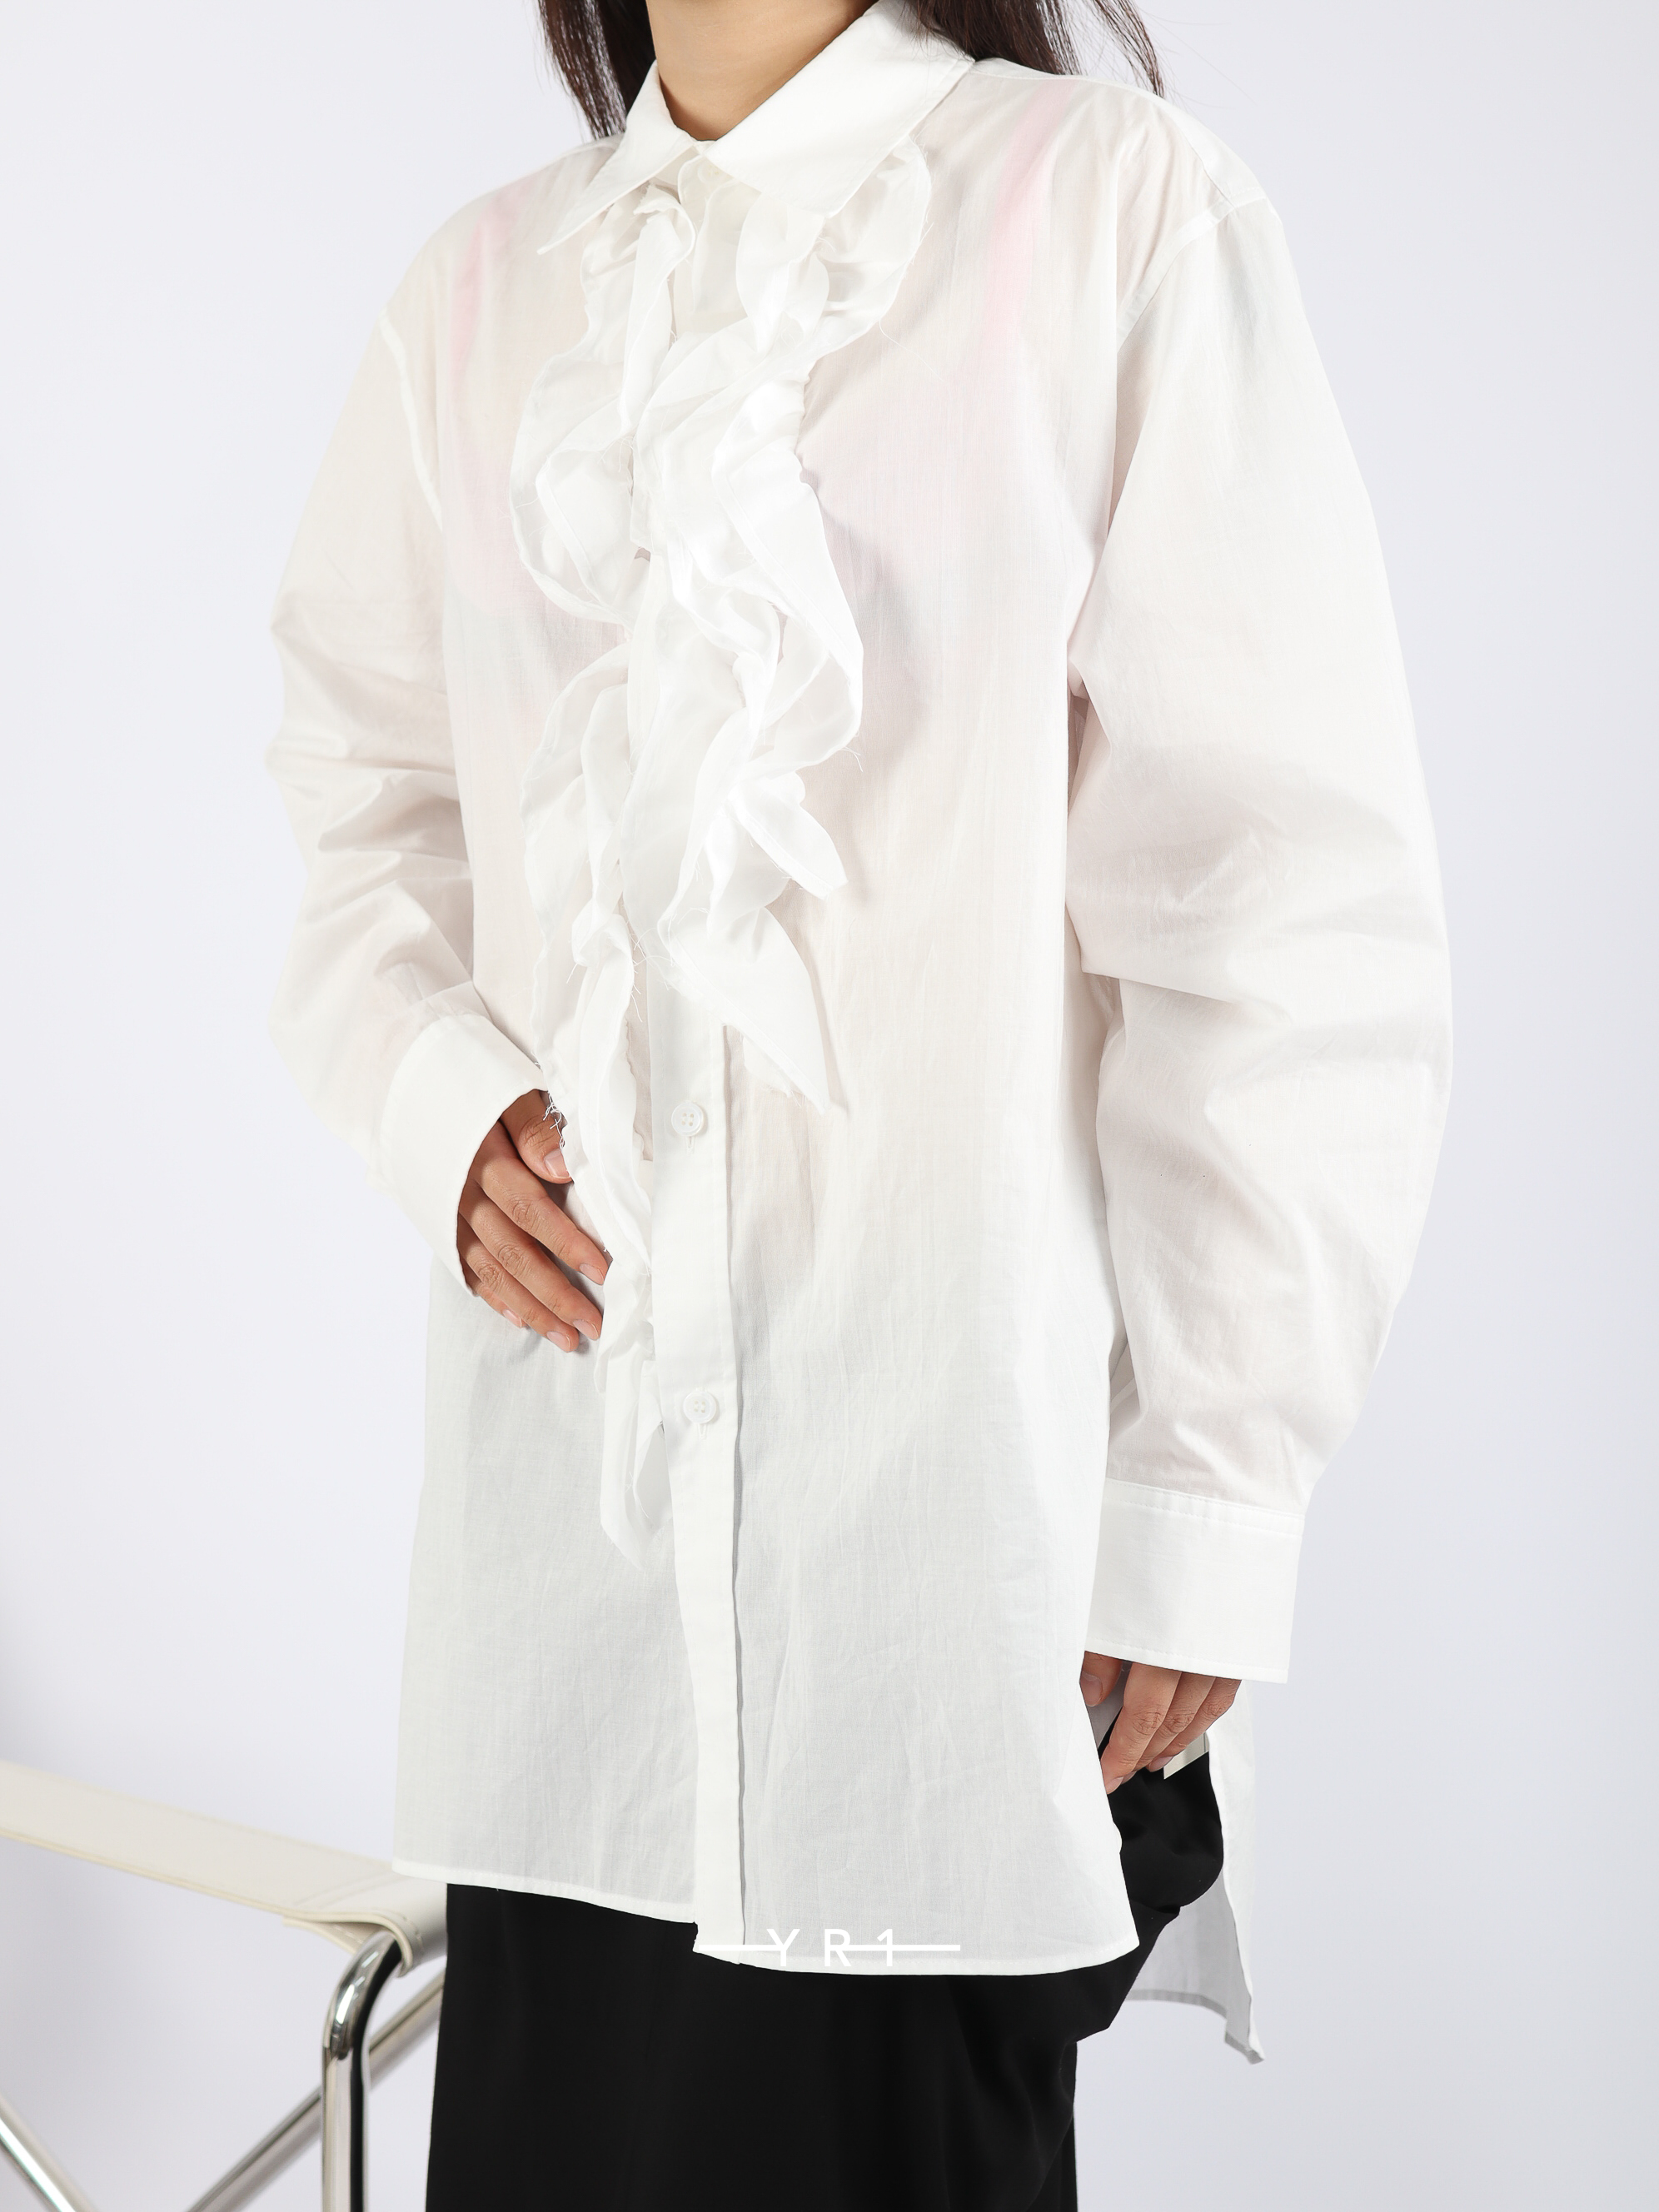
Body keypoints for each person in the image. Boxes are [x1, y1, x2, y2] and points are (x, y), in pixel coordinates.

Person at [265, 0, 1452, 2200]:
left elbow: (1278, 908)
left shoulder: (1112, 222)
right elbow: (359, 794)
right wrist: (444, 1101)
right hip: (571, 1637)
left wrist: (1206, 1494)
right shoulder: (481, 294)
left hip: (945, 1615)